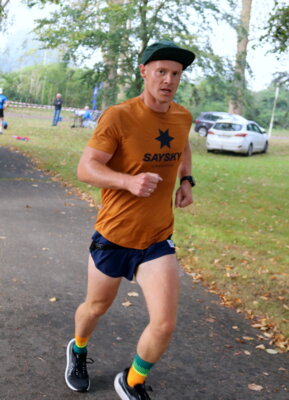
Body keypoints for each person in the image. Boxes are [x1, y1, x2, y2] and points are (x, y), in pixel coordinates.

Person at [65, 39, 196, 399]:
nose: (169, 80)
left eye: (176, 74)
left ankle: (132, 381)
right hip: (114, 235)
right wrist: (128, 181)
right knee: (96, 308)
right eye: (161, 72)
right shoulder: (119, 116)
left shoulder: (182, 116)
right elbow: (85, 168)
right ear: (144, 72)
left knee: (165, 323)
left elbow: (182, 144)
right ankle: (77, 349)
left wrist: (185, 180)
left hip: (155, 239)